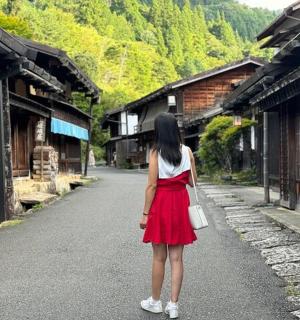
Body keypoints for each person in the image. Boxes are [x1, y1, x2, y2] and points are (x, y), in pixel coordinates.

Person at [139, 112, 197, 319]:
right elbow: (192, 182)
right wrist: (189, 163)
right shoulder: (187, 151)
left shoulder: (155, 152)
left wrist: (145, 213)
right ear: (175, 130)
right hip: (180, 203)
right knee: (177, 258)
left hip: (161, 204)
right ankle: (173, 305)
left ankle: (155, 301)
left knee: (158, 257)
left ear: (159, 131)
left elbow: (152, 185)